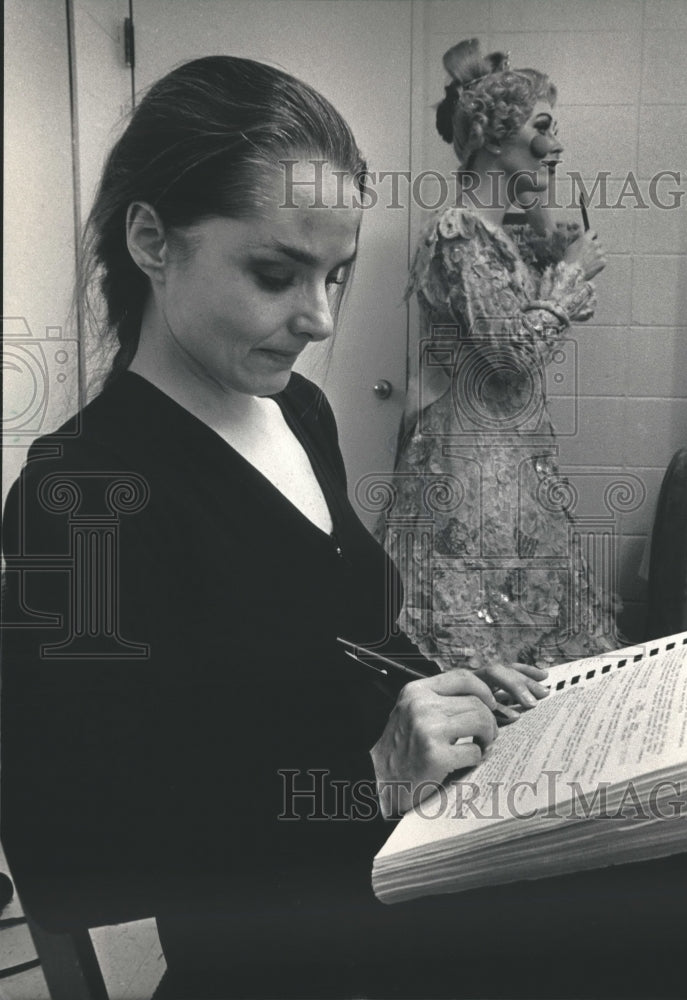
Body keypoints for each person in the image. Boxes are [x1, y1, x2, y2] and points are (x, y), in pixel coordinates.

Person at [0, 55, 550, 998]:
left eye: (334, 275)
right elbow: (67, 856)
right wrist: (366, 779)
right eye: (274, 274)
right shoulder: (82, 496)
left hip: (406, 883)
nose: (320, 318)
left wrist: (438, 683)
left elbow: (337, 635)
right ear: (151, 239)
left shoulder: (297, 410)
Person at [379, 38, 621, 672]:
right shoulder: (458, 233)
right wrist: (568, 276)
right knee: (474, 623)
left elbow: (529, 315)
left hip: (508, 455)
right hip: (468, 462)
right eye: (543, 126)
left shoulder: (495, 235)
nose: (556, 144)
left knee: (522, 618)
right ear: (493, 137)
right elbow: (511, 356)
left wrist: (543, 229)